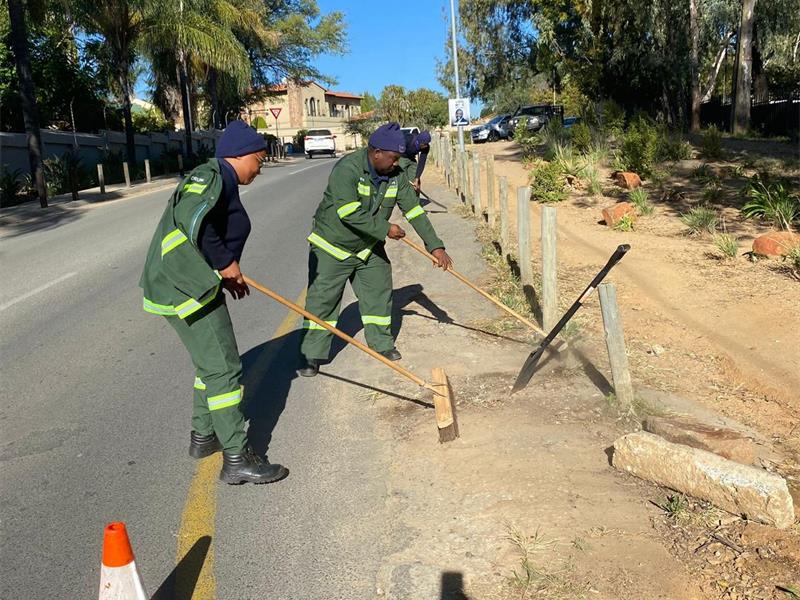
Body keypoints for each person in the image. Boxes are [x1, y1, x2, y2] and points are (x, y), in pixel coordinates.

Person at [139, 120, 288, 485]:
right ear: (238, 156)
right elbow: (196, 222)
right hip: (184, 287)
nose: (260, 165)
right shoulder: (210, 177)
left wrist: (227, 274)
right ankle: (237, 458)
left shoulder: (222, 180)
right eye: (259, 158)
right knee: (223, 370)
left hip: (190, 284)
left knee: (211, 365)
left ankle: (203, 437)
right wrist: (225, 263)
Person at [297, 122, 453, 377]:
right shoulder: (347, 169)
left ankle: (381, 344)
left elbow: (414, 211)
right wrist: (386, 229)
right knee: (322, 302)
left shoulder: (396, 174)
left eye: (398, 159)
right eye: (393, 158)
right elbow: (348, 213)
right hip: (332, 248)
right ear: (376, 152)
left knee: (379, 292)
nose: (396, 163)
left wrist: (435, 246)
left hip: (367, 247)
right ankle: (311, 354)